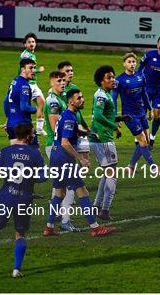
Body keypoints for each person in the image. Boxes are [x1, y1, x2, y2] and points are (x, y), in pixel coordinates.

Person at [0, 123, 47, 278]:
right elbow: (43, 177)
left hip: (6, 196)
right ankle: (16, 269)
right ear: (28, 136)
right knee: (19, 234)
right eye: (33, 133)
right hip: (24, 198)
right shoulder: (35, 154)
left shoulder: (5, 151)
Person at [43, 89, 116, 237]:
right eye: (79, 98)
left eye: (82, 97)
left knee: (59, 192)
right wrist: (81, 158)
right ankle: (95, 227)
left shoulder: (67, 114)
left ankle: (48, 227)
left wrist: (86, 133)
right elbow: (65, 143)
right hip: (64, 158)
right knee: (82, 191)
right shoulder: (70, 117)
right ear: (71, 101)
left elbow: (68, 132)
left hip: (55, 157)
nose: (82, 100)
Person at [89, 66, 129, 221]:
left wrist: (120, 118)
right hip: (103, 140)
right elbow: (98, 116)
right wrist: (115, 127)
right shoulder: (101, 96)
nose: (113, 80)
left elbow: (106, 115)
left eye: (113, 77)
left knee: (106, 175)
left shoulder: (104, 94)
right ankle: (104, 210)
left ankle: (96, 206)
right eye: (109, 78)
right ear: (101, 81)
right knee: (112, 176)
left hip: (99, 139)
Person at [43, 71, 80, 232]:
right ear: (52, 83)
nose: (62, 83)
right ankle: (65, 220)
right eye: (58, 80)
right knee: (72, 187)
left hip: (58, 146)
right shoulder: (53, 102)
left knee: (60, 189)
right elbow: (55, 128)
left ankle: (52, 222)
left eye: (63, 80)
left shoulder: (60, 99)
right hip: (57, 146)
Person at [113, 53, 156, 171]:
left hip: (142, 112)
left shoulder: (140, 76)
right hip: (129, 116)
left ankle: (131, 166)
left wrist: (150, 109)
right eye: (129, 62)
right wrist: (116, 118)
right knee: (142, 141)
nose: (132, 64)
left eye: (133, 62)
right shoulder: (119, 80)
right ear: (124, 64)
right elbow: (114, 99)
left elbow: (144, 94)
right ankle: (154, 168)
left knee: (145, 141)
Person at [58, 61, 90, 160]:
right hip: (68, 125)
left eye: (71, 70)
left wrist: (85, 125)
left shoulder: (74, 88)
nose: (70, 73)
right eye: (67, 71)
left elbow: (78, 110)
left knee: (85, 152)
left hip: (78, 123)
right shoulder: (58, 90)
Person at [4, 58, 39, 148]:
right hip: (23, 125)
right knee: (35, 154)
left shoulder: (14, 81)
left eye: (34, 68)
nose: (33, 71)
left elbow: (6, 101)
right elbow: (24, 107)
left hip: (11, 125)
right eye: (30, 68)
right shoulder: (24, 86)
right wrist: (36, 109)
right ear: (23, 69)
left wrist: (9, 118)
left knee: (16, 155)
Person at [19, 33, 46, 135]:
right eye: (29, 42)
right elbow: (27, 69)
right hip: (27, 84)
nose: (31, 44)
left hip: (33, 84)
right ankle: (17, 127)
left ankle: (39, 129)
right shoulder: (26, 55)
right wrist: (39, 70)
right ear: (25, 44)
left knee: (42, 103)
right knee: (23, 107)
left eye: (33, 42)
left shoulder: (31, 54)